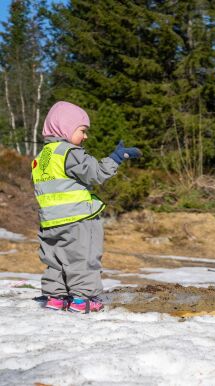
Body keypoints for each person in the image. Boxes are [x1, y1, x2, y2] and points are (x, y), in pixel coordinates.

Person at [32, 101, 141, 313]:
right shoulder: (70, 152)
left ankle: (55, 297)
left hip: (50, 221)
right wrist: (117, 157)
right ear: (65, 127)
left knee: (55, 260)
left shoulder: (41, 158)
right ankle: (83, 299)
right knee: (83, 258)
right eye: (82, 130)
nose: (85, 136)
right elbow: (96, 173)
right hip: (78, 219)